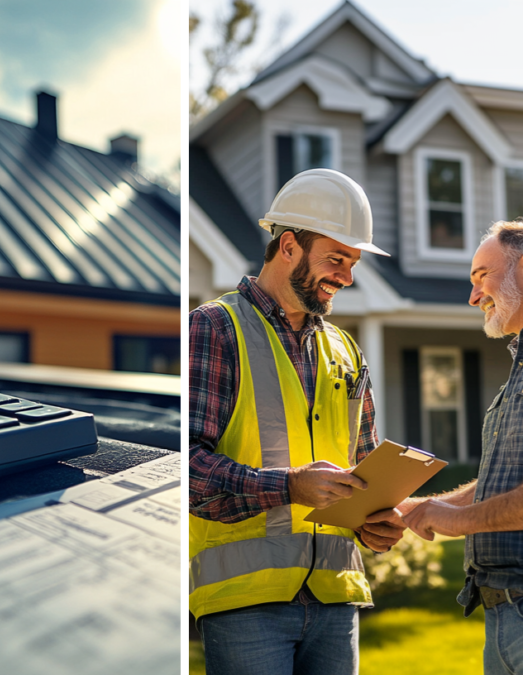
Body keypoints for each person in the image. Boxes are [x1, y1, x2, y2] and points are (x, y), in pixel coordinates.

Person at [189, 168, 406, 675]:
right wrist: (290, 487)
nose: (347, 277)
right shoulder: (215, 329)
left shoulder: (346, 350)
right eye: (336, 259)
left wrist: (374, 520)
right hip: (245, 603)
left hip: (336, 597)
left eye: (352, 263)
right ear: (288, 246)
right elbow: (189, 471)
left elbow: (362, 468)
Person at [379, 221, 523, 675]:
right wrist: (421, 507)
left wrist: (458, 520)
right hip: (505, 613)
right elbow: (506, 482)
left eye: (483, 276)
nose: (473, 296)